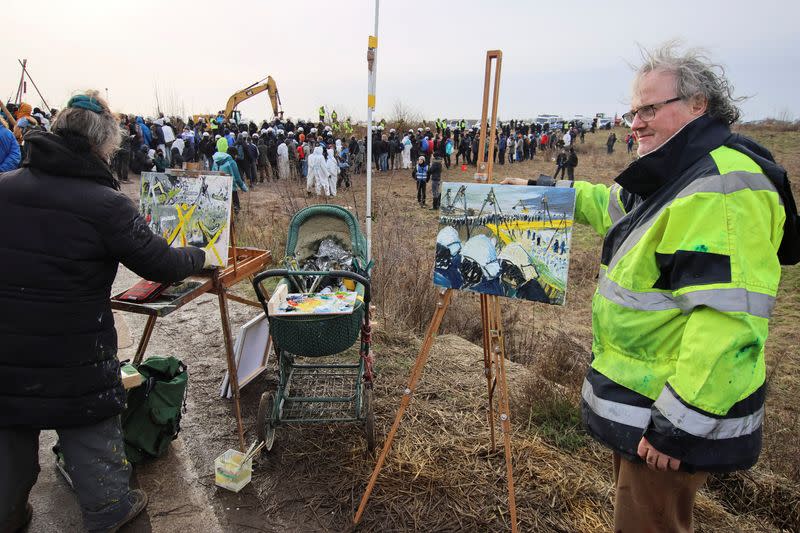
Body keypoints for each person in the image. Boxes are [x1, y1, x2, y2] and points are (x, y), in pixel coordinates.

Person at [501, 43, 798, 532]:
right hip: (646, 404)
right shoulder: (677, 171)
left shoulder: (721, 188)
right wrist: (539, 190)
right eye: (633, 110)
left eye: (649, 109)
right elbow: (609, 206)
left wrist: (675, 428)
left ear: (698, 104)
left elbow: (725, 324)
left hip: (668, 415)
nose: (635, 122)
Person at [0, 90, 208, 533]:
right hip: (77, 365)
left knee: (5, 477)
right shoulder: (106, 205)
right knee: (109, 499)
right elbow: (163, 264)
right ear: (103, 145)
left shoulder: (4, 189)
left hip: (5, 362)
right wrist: (200, 255)